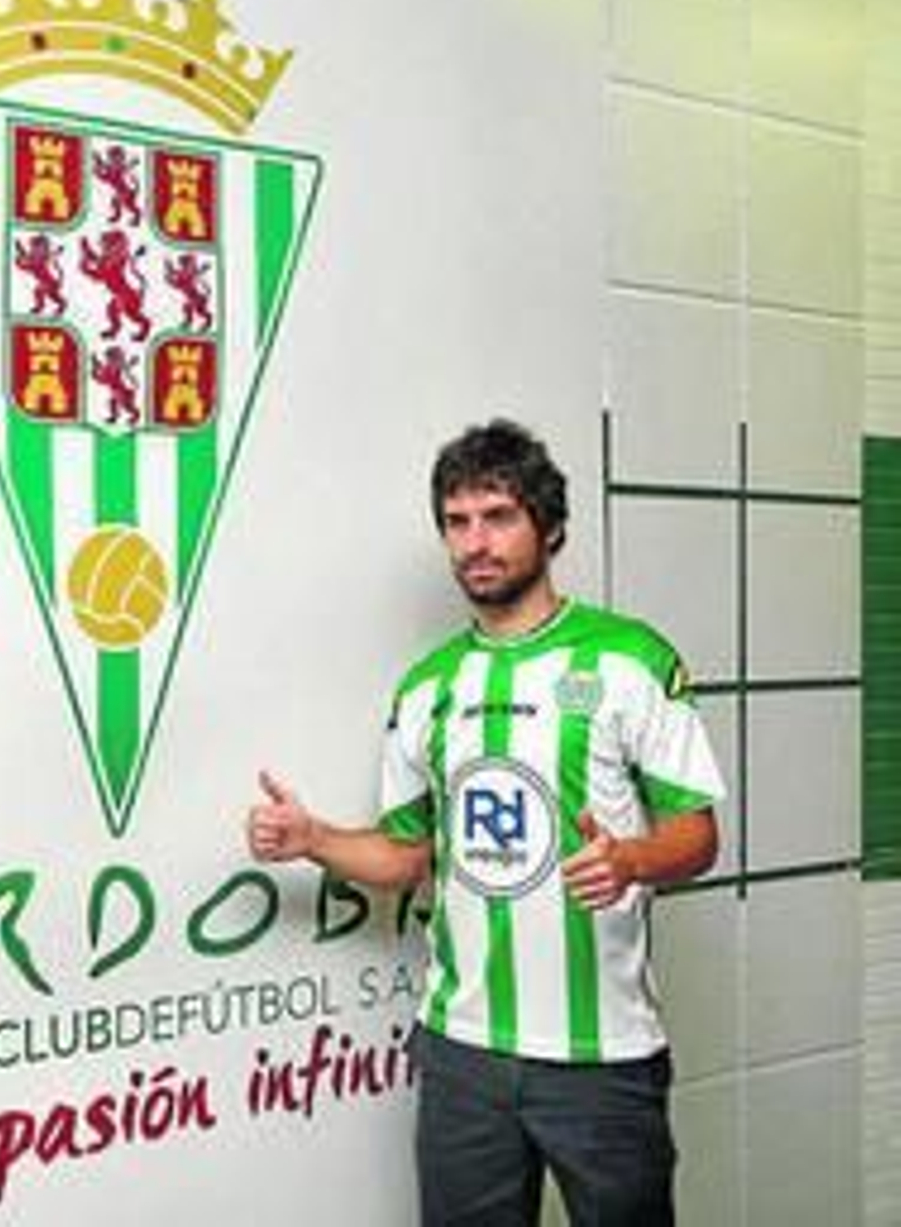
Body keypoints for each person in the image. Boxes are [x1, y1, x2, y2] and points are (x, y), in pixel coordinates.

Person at [246, 419, 722, 1227]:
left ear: (550, 526)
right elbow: (405, 855)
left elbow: (699, 834)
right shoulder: (427, 687)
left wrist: (633, 858)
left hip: (601, 1060)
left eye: (498, 516)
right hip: (461, 1053)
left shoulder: (628, 659)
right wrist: (313, 837)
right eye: (457, 522)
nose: (476, 541)